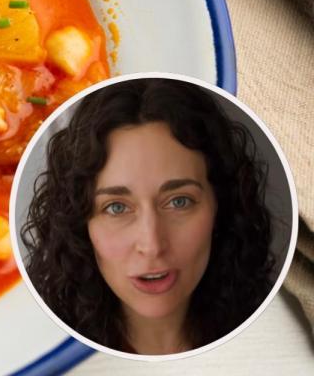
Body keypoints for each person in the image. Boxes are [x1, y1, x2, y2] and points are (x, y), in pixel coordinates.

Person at [21, 78, 274, 355]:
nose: (152, 245)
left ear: (220, 205)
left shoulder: (269, 343)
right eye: (117, 207)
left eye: (179, 202)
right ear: (81, 224)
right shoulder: (29, 346)